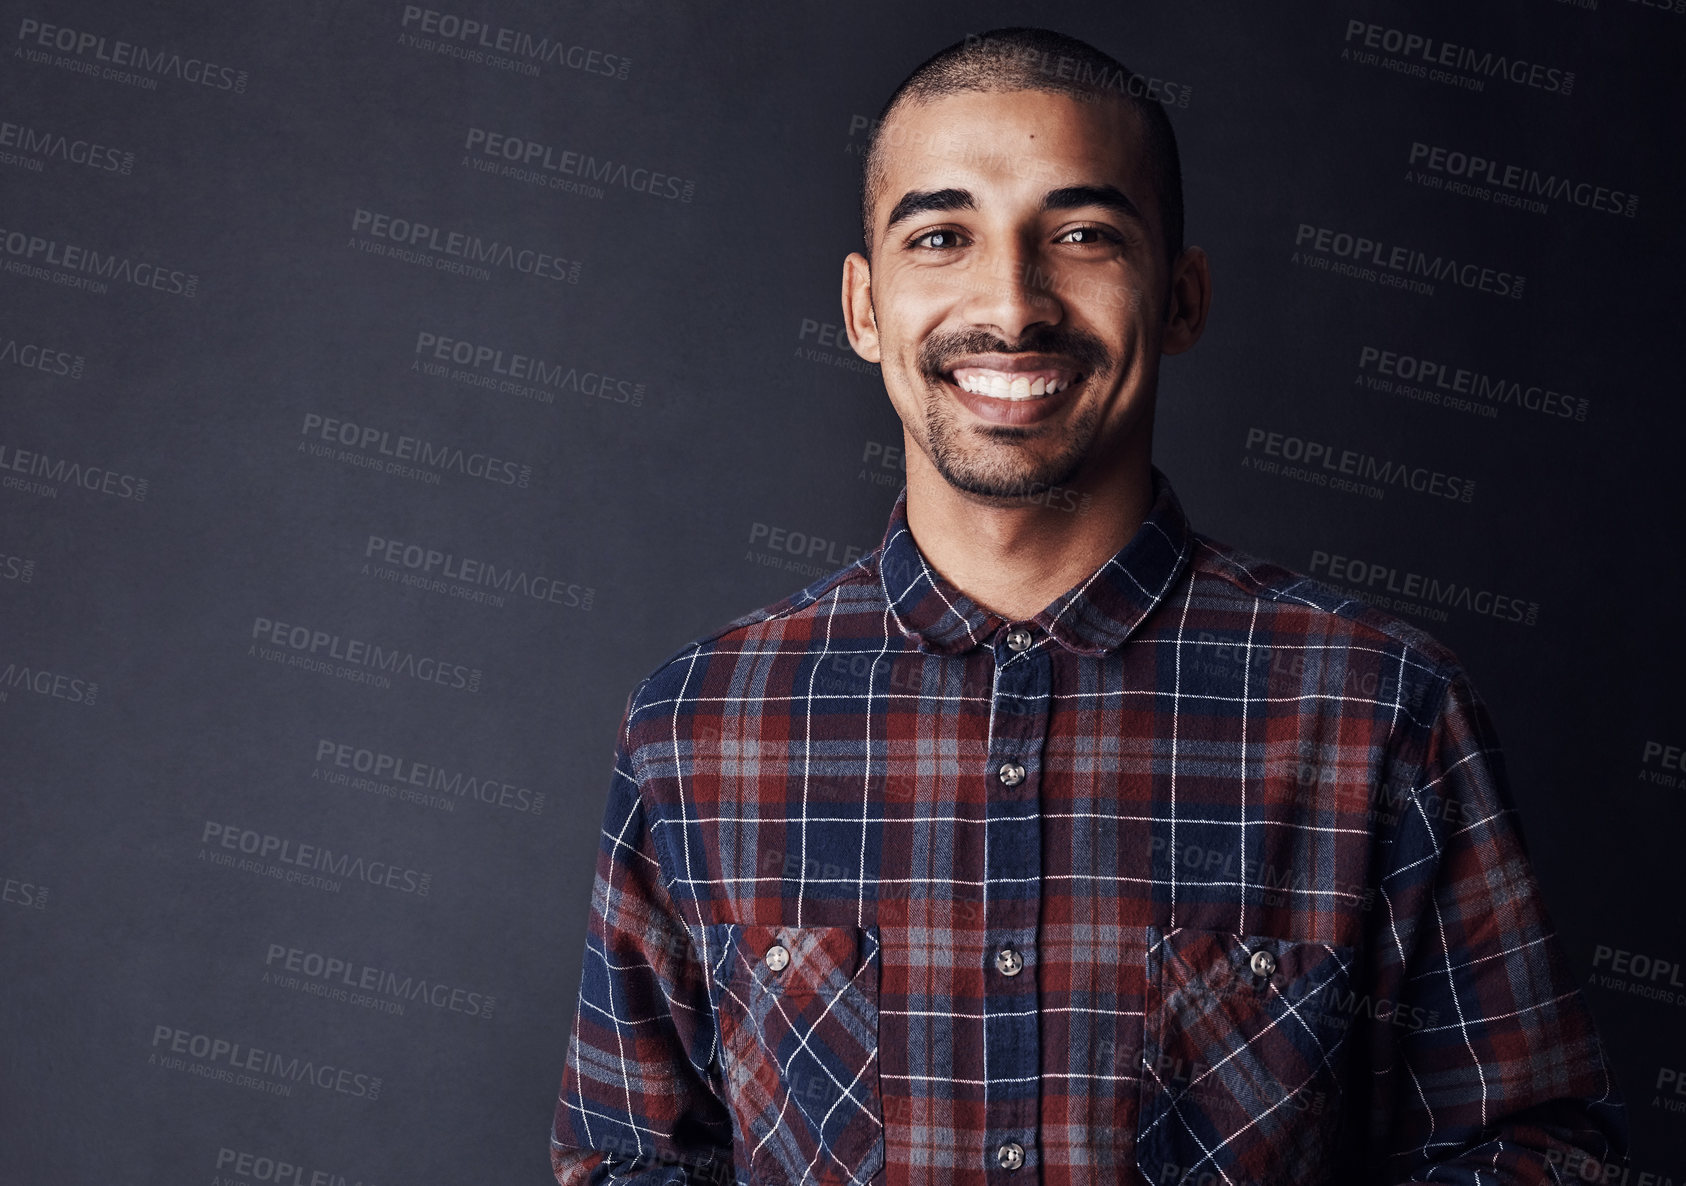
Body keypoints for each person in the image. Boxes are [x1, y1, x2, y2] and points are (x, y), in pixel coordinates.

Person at [550, 27, 1628, 1186]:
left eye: (1081, 235)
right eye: (943, 236)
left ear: (1182, 296)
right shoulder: (698, 724)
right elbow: (628, 1162)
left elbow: (1534, 1153)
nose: (1011, 304)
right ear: (865, 307)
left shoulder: (1383, 710)